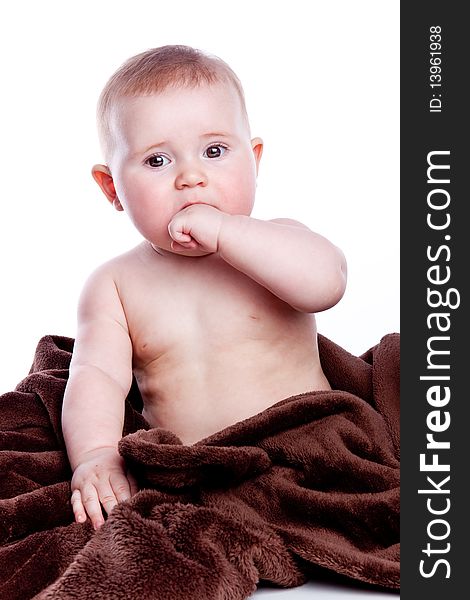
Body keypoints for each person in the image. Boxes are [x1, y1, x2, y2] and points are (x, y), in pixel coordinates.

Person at [61, 45, 347, 531]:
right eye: (156, 161)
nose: (190, 178)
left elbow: (326, 285)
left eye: (214, 152)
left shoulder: (279, 241)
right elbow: (97, 377)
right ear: (112, 189)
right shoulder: (115, 284)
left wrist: (229, 234)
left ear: (253, 159)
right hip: (198, 478)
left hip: (308, 458)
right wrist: (95, 454)